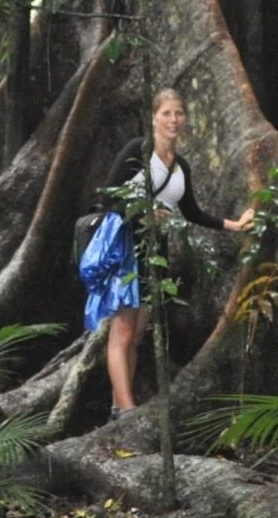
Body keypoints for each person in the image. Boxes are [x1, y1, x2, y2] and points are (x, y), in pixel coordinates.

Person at [86, 87, 255, 411]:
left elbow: (192, 212)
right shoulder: (137, 151)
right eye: (167, 113)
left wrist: (235, 224)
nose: (173, 120)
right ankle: (127, 411)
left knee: (136, 336)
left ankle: (117, 407)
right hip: (126, 247)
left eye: (179, 113)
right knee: (121, 333)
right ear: (153, 118)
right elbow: (107, 198)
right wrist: (142, 213)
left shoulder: (181, 167)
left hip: (156, 253)